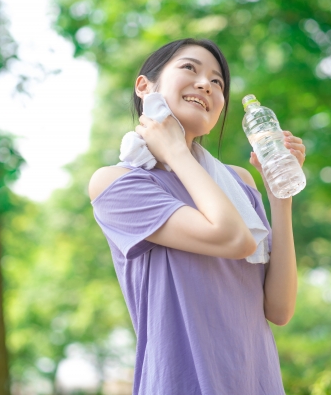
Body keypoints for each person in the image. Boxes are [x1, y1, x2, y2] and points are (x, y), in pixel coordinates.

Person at [89, 38, 306, 394]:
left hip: (256, 381)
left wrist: (279, 195)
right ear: (145, 87)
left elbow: (279, 309)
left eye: (217, 82)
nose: (206, 83)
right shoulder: (118, 184)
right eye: (190, 68)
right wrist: (175, 150)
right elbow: (233, 239)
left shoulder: (238, 182)